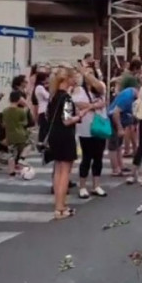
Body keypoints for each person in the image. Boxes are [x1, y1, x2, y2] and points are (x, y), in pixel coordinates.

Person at [46, 66, 88, 220]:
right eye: (73, 77)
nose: (75, 79)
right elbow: (67, 120)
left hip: (54, 136)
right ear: (66, 79)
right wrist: (80, 116)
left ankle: (59, 205)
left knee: (58, 170)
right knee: (65, 172)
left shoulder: (54, 96)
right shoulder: (66, 98)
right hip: (65, 136)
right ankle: (60, 207)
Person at [71, 63, 108, 199]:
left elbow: (103, 103)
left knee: (98, 157)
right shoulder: (78, 90)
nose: (89, 76)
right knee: (87, 157)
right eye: (87, 73)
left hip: (100, 126)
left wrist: (87, 73)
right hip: (85, 128)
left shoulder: (100, 87)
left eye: (91, 73)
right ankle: (82, 186)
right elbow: (77, 104)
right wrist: (94, 106)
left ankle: (96, 185)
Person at [107, 87, 137, 177]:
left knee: (119, 145)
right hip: (114, 119)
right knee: (113, 145)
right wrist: (120, 128)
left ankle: (121, 165)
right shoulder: (128, 97)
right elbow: (116, 113)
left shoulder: (131, 95)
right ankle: (115, 169)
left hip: (121, 119)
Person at [2, 91, 29, 177]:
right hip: (20, 134)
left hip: (10, 135)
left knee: (11, 154)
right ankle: (21, 160)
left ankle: (11, 171)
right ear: (19, 100)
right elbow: (25, 123)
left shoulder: (5, 111)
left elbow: (4, 125)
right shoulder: (21, 111)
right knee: (27, 147)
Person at [32, 72, 50, 150]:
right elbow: (47, 96)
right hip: (44, 109)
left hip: (43, 109)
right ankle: (42, 143)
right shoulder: (39, 87)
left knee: (44, 128)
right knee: (44, 128)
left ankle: (43, 143)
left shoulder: (40, 87)